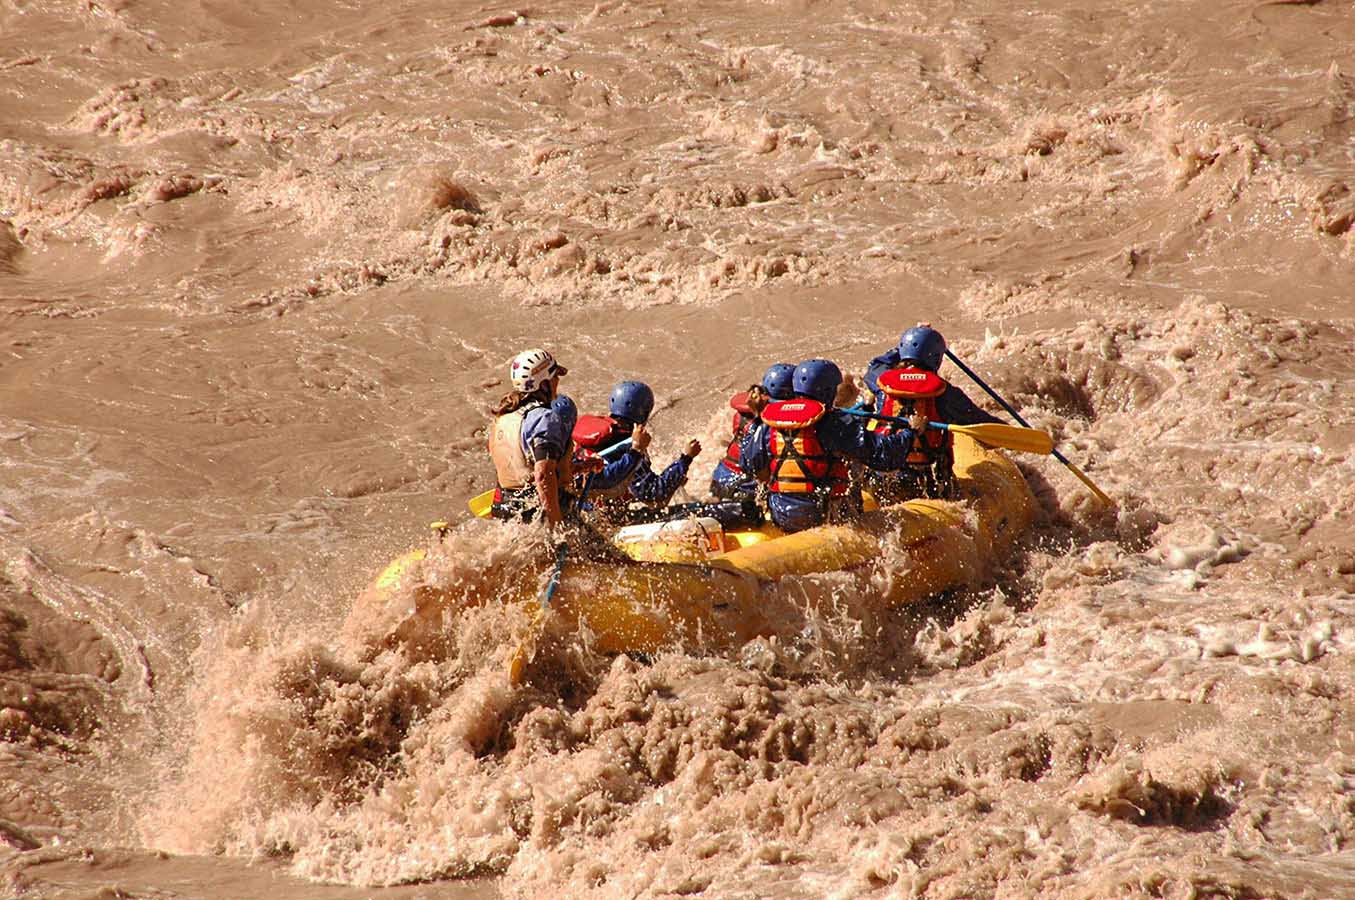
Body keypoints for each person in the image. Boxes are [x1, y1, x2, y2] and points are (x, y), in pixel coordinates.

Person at [739, 359, 921, 533]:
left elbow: (748, 463)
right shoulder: (834, 423)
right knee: (854, 473)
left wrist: (757, 417)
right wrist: (911, 432)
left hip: (780, 515)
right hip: (821, 514)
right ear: (827, 391)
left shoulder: (769, 423)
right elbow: (883, 457)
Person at [862, 324, 1002, 499]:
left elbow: (874, 365)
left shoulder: (882, 382)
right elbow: (981, 423)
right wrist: (1005, 428)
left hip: (880, 477)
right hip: (925, 483)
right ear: (936, 358)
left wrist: (904, 347)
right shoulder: (946, 393)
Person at [487, 348, 594, 525]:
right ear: (544, 384)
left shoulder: (503, 418)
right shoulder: (545, 418)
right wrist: (556, 523)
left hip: (504, 510)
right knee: (605, 553)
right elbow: (543, 475)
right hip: (535, 513)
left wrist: (580, 467)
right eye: (554, 377)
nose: (557, 381)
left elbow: (522, 469)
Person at [572, 381, 703, 523]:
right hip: (610, 521)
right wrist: (686, 458)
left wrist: (676, 480)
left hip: (582, 512)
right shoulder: (629, 445)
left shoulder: (592, 436)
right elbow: (654, 496)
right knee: (698, 511)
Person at [710, 362, 795, 502]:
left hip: (720, 479)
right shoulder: (779, 426)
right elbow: (759, 470)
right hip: (745, 492)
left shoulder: (740, 416)